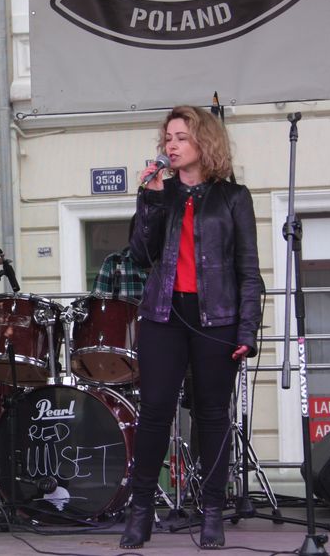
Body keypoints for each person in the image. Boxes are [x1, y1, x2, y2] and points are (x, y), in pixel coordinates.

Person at [120, 106, 260, 550]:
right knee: (155, 412)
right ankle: (141, 510)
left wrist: (248, 331)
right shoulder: (161, 193)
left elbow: (249, 270)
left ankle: (213, 511)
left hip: (217, 317)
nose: (172, 145)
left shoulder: (233, 197)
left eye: (181, 137)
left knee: (213, 415)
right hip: (164, 314)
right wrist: (150, 199)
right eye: (168, 138)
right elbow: (140, 254)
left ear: (205, 141)